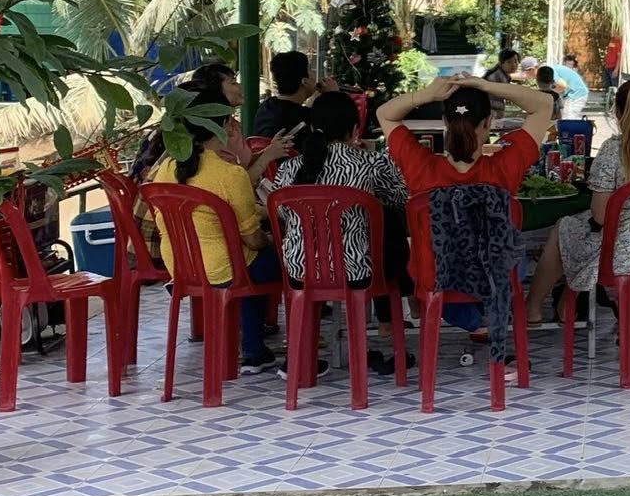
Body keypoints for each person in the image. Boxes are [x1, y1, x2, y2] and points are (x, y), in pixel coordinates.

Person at [376, 76, 556, 345]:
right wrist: (487, 86)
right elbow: (543, 104)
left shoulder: (421, 168)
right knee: (511, 260)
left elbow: (385, 114)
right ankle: (486, 315)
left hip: (439, 278)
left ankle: (474, 320)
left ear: (445, 122)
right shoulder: (504, 168)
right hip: (495, 276)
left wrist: (428, 94)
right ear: (488, 123)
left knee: (432, 278)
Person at [525, 78, 630, 328]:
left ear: (617, 112)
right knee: (586, 231)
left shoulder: (613, 150)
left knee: (564, 228)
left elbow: (600, 216)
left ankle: (534, 308)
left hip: (620, 256)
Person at [267, 90, 409, 375]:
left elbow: (281, 214)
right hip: (355, 270)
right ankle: (390, 321)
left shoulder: (289, 168)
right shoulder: (370, 163)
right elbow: (401, 197)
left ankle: (301, 363)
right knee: (389, 225)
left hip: (300, 270)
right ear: (355, 129)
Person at [148, 112, 285, 371]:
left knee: (250, 263)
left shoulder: (166, 168)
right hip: (224, 269)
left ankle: (255, 351)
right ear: (222, 127)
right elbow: (254, 240)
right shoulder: (230, 174)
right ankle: (300, 354)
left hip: (180, 267)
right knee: (288, 262)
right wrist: (272, 240)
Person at [254, 50, 316, 139]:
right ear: (305, 81)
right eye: (310, 70)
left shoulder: (267, 106)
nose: (314, 76)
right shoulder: (302, 118)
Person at [557, 53, 591, 121]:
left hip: (577, 96)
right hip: (570, 96)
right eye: (568, 64)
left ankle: (572, 126)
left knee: (571, 115)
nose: (569, 66)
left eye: (571, 65)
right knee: (566, 114)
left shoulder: (574, 72)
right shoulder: (565, 71)